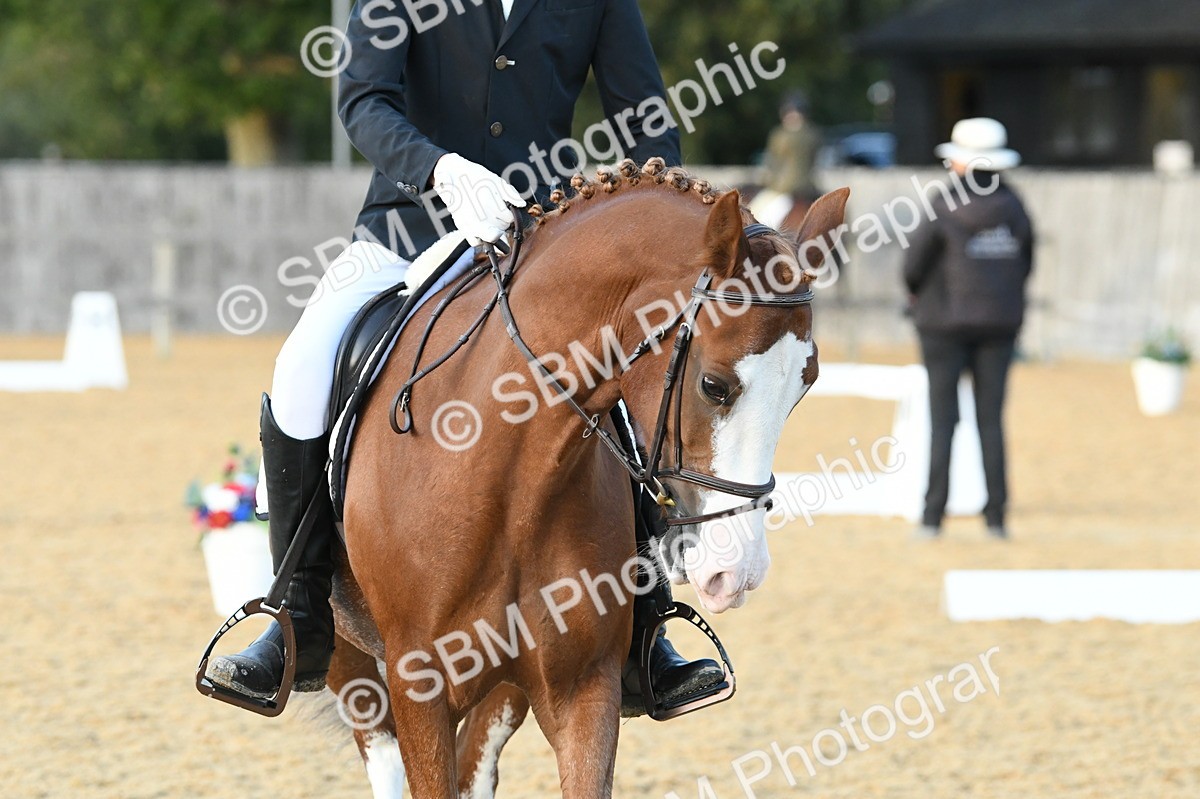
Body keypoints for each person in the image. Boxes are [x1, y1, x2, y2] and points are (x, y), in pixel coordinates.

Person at [205, 0, 724, 710]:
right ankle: (297, 615)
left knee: (631, 373)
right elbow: (364, 100)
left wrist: (656, 216)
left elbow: (646, 117)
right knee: (300, 364)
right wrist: (441, 169)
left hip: (542, 240)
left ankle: (648, 620)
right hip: (405, 228)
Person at [903, 118, 1034, 540]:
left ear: (959, 164)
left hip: (943, 325)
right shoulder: (1014, 205)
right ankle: (996, 518)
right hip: (1000, 325)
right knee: (991, 421)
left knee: (944, 423)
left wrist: (917, 295)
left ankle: (932, 518)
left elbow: (913, 266)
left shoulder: (942, 204)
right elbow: (1026, 263)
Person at [749, 91, 821, 227]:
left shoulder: (780, 135)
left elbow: (773, 162)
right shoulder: (814, 134)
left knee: (754, 213)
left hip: (782, 187)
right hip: (808, 187)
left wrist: (765, 179)